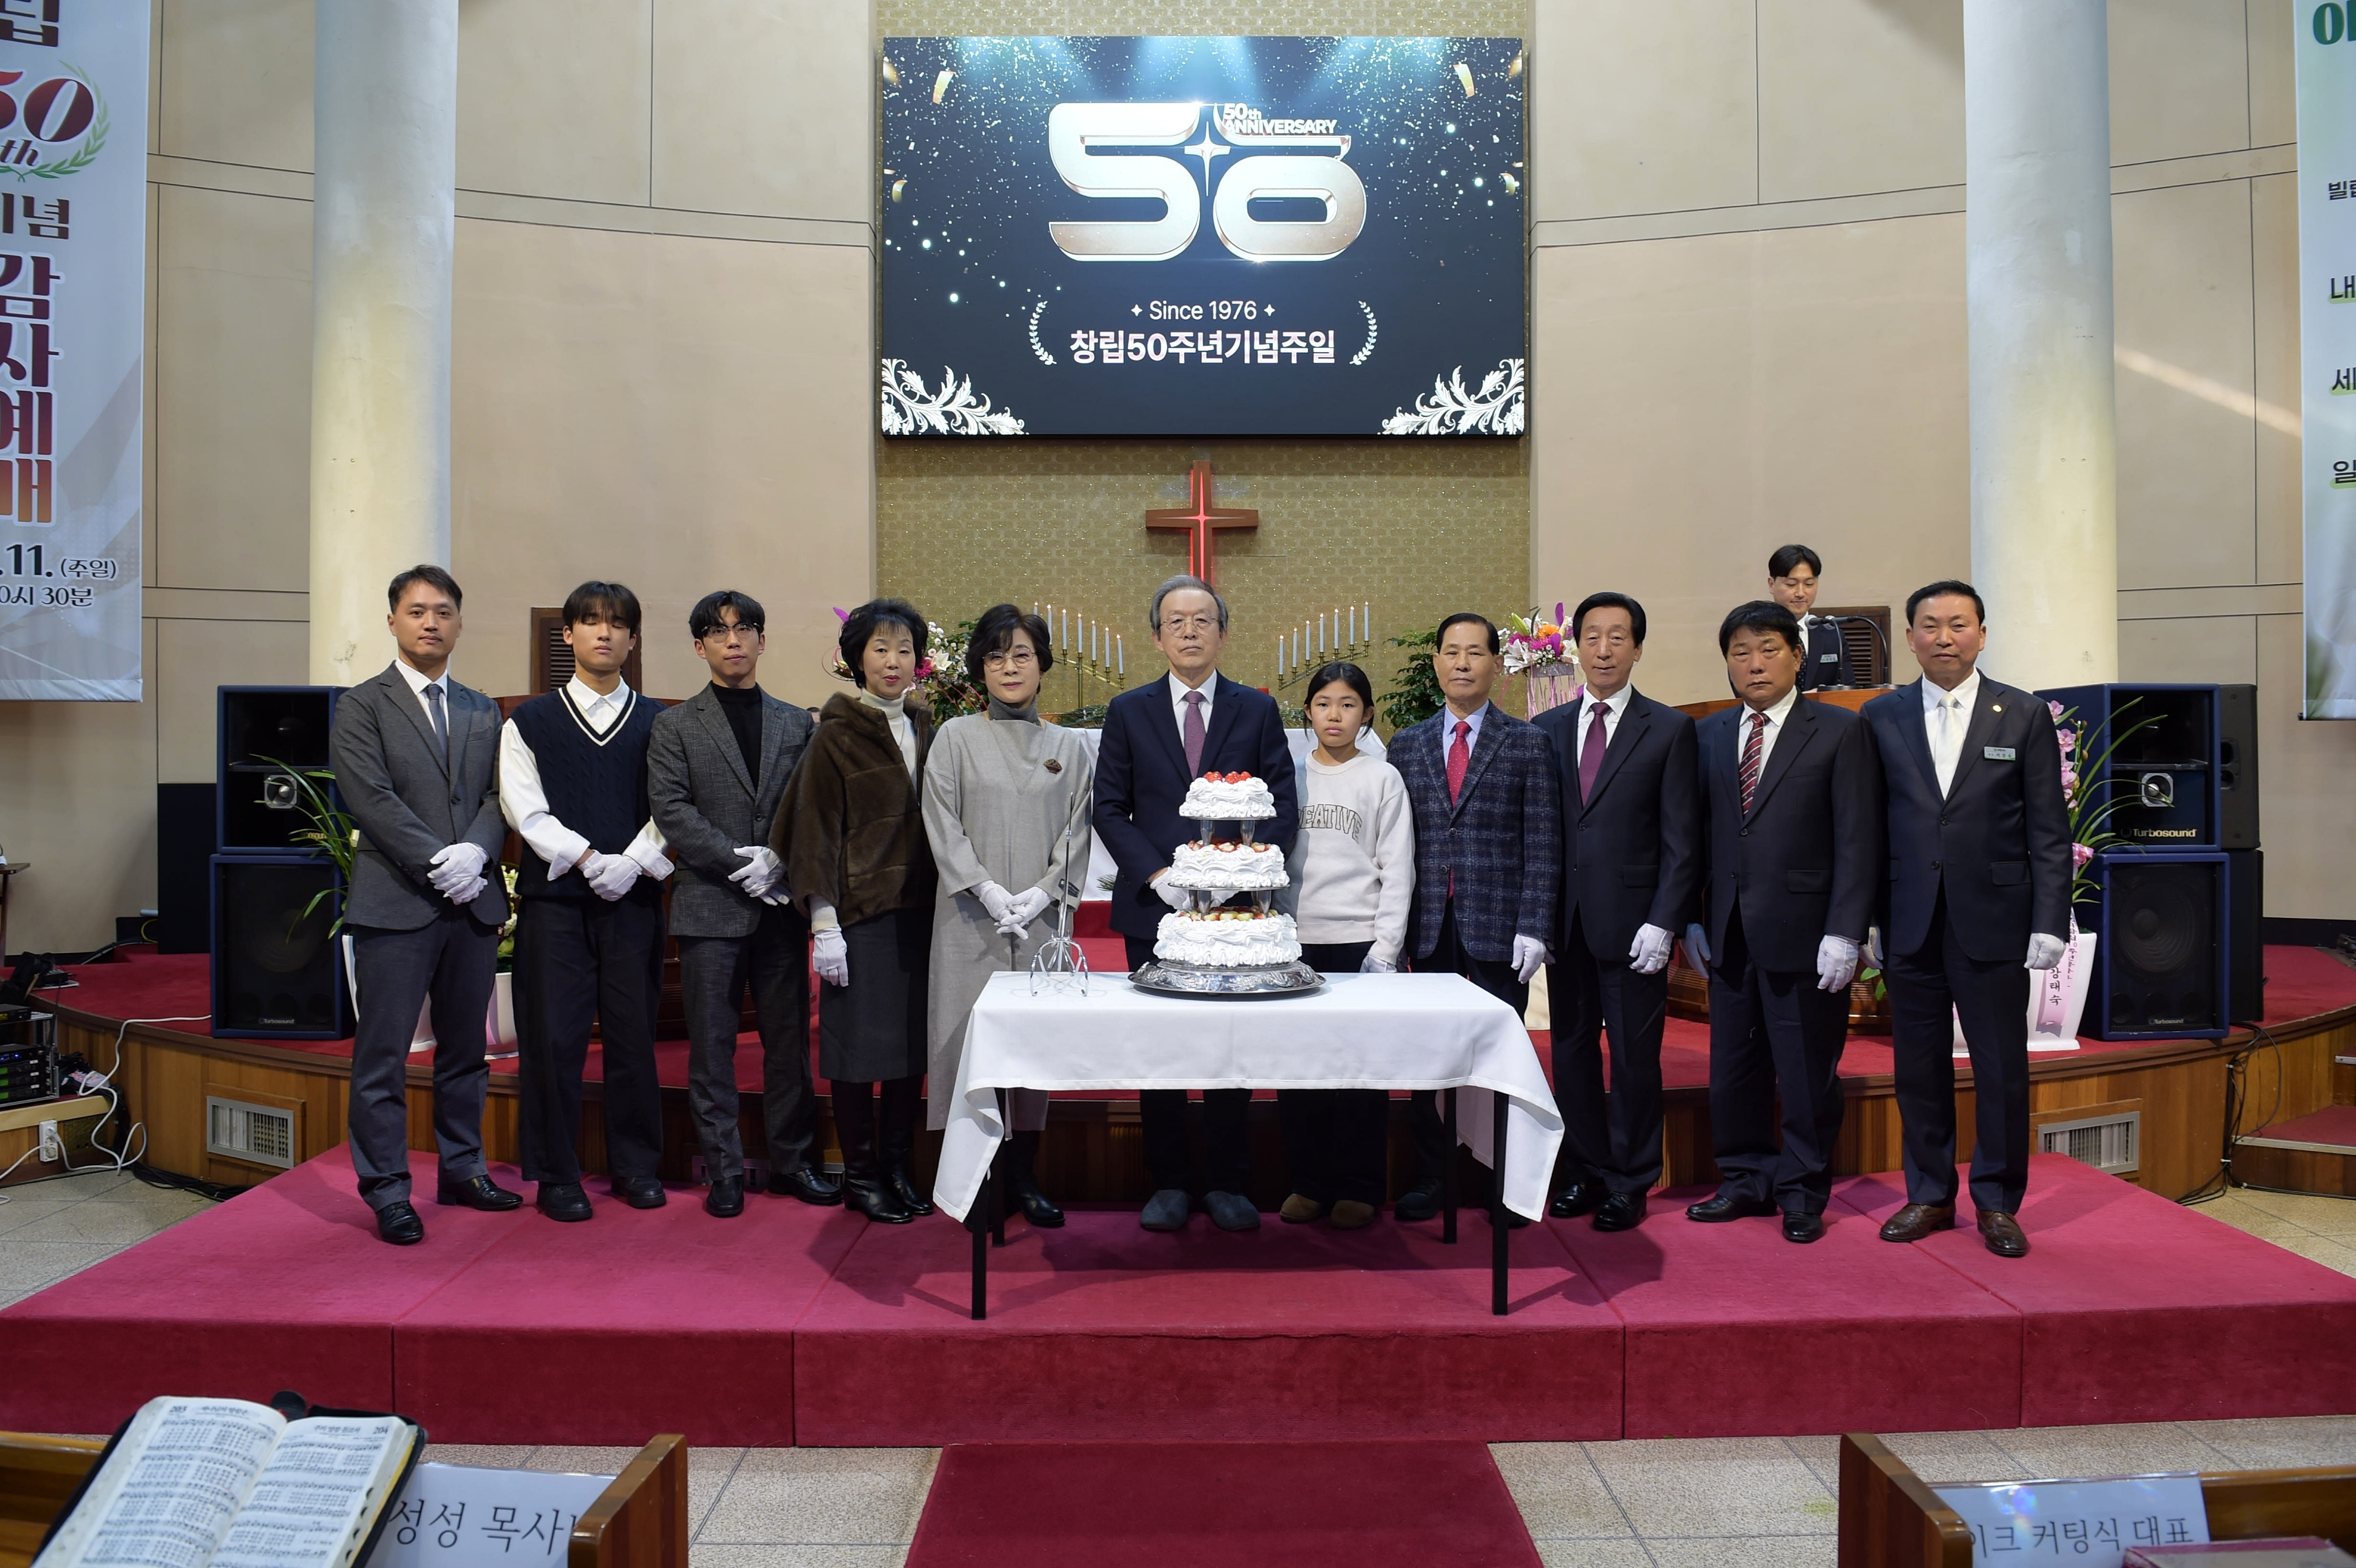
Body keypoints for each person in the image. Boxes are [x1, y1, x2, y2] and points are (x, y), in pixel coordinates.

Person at [1862, 580, 2072, 1259]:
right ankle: (1928, 1193)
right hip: (1910, 918)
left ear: (1982, 633)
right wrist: (1865, 918)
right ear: (1911, 638)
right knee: (1918, 1068)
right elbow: (1866, 829)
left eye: (1959, 624)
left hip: (1996, 918)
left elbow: (2049, 829)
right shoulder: (1881, 715)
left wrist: (2050, 920)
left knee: (2000, 1068)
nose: (1944, 637)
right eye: (1930, 625)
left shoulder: (2023, 713)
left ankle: (1998, 1201)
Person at [1093, 574, 1296, 1233]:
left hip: (1237, 908)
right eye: (1176, 621)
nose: (1189, 631)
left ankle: (1229, 1180)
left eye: (1202, 620)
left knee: (1229, 1042)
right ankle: (1169, 1179)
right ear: (1157, 636)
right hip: (1155, 905)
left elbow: (1281, 805)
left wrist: (1233, 878)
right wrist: (1159, 875)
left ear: (1223, 633)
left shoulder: (1255, 709)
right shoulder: (1128, 710)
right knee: (1163, 1044)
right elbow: (1109, 807)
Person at [328, 564, 519, 1245]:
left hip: (472, 902)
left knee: (466, 1051)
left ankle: (464, 1169)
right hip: (397, 901)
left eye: (443, 611)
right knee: (383, 1055)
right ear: (392, 622)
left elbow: (501, 795)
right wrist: (441, 861)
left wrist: (477, 854)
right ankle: (387, 1190)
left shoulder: (480, 707)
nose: (431, 622)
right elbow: (370, 797)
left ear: (459, 623)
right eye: (416, 611)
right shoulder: (362, 705)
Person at [1685, 601, 1882, 1242]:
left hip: (1808, 931)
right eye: (1740, 652)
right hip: (1728, 931)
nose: (1755, 663)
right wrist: (1691, 918)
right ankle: (1745, 1178)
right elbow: (1693, 837)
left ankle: (1802, 1190)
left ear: (1797, 656)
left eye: (1768, 649)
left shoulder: (1839, 730)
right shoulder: (1710, 734)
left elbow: (1859, 837)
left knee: (1804, 1071)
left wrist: (1846, 929)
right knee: (1733, 1068)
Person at [647, 590, 832, 1219]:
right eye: (719, 631)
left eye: (744, 628)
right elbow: (672, 809)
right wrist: (738, 862)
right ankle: (724, 1170)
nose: (733, 640)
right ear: (700, 646)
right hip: (709, 906)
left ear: (762, 640)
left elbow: (808, 803)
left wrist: (778, 858)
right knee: (712, 1046)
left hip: (779, 905)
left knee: (788, 1044)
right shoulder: (675, 725)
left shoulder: (795, 722)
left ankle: (793, 1163)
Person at [498, 581, 674, 1221]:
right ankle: (556, 1174)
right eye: (592, 621)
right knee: (553, 1040)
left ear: (634, 638)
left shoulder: (660, 722)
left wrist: (632, 862)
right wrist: (587, 858)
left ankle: (637, 1166)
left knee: (633, 1037)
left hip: (633, 900)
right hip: (556, 904)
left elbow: (673, 805)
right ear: (568, 633)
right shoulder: (529, 721)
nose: (605, 632)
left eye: (617, 623)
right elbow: (524, 807)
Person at [920, 603, 1094, 1228]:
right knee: (966, 1043)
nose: (1010, 667)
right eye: (996, 657)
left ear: (1042, 665)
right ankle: (975, 1182)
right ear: (980, 670)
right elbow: (941, 822)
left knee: (1032, 1050)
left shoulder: (1068, 747)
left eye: (1022, 655)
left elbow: (1079, 830)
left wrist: (1045, 894)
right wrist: (987, 890)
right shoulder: (955, 738)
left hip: (1042, 923)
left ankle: (1024, 1177)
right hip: (970, 919)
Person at [1530, 592, 1700, 1231]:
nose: (1603, 650)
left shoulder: (1669, 728)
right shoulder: (1547, 728)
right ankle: (1585, 1168)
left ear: (1638, 648)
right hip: (1566, 922)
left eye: (1617, 637)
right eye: (1592, 637)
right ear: (1576, 647)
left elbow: (1683, 838)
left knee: (1633, 1058)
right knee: (1571, 1052)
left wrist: (1666, 920)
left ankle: (1632, 1178)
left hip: (1636, 925)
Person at [1389, 612, 1561, 1223]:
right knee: (1429, 1058)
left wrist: (1535, 924)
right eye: (1451, 652)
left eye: (1475, 653)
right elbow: (1395, 844)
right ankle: (1433, 1177)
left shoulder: (1528, 743)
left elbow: (1543, 841)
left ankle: (1502, 1182)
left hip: (1500, 926)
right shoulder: (1406, 744)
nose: (1462, 663)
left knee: (1498, 1059)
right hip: (1428, 926)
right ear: (1436, 662)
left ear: (1495, 664)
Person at [779, 598, 940, 1225]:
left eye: (904, 650)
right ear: (856, 659)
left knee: (908, 1053)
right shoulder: (835, 735)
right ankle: (862, 1176)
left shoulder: (928, 727)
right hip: (860, 919)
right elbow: (813, 833)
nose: (893, 661)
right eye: (880, 649)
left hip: (922, 916)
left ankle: (897, 1168)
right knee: (855, 1055)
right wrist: (825, 925)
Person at [1276, 661, 1414, 1231]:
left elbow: (1398, 867)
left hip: (1358, 941)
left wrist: (1386, 949)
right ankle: (1308, 1183)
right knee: (1299, 1071)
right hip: (1294, 942)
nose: (1335, 715)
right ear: (1308, 712)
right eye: (1324, 704)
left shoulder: (1382, 778)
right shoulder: (1288, 776)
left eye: (1349, 704)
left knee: (1360, 1070)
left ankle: (1360, 1186)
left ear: (1368, 714)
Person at [1768, 545, 1850, 691]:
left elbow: (1849, 689)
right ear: (1772, 585)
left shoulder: (1832, 635)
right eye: (1791, 584)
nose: (1801, 593)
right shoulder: (1757, 633)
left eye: (1809, 584)